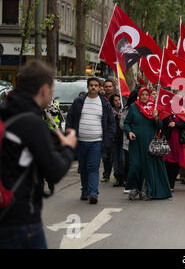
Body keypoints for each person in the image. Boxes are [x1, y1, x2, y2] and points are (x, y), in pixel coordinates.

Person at [0, 60, 77, 249]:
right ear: (44, 89)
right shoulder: (32, 123)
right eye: (52, 89)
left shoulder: (7, 113)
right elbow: (54, 171)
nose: (52, 95)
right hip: (21, 219)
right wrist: (68, 148)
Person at [66, 77, 115, 205]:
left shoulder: (104, 103)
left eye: (96, 85)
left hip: (97, 141)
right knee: (83, 167)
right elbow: (70, 118)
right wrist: (69, 133)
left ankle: (93, 193)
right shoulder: (79, 101)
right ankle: (85, 190)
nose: (93, 87)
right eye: (91, 85)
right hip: (80, 141)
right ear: (87, 87)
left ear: (100, 88)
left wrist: (109, 139)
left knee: (93, 167)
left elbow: (111, 123)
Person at [124, 87, 172, 200]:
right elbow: (126, 123)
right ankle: (134, 188)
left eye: (146, 94)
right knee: (135, 166)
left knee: (148, 167)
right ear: (139, 96)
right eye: (142, 95)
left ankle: (146, 189)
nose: (144, 97)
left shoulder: (154, 108)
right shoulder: (133, 107)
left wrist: (156, 117)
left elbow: (159, 126)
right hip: (136, 142)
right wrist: (129, 131)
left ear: (149, 96)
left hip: (149, 142)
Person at [161, 91, 185, 191]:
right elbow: (162, 122)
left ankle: (171, 184)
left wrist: (176, 125)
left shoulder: (182, 111)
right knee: (166, 162)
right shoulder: (166, 111)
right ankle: (165, 183)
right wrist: (168, 122)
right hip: (167, 140)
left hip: (177, 141)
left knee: (175, 163)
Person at [120, 89, 140, 194]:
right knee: (129, 163)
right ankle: (128, 182)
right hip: (128, 142)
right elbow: (122, 124)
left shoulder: (144, 109)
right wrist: (131, 129)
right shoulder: (127, 109)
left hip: (141, 142)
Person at [100, 78, 116, 182]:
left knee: (116, 155)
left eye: (110, 86)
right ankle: (106, 174)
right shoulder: (100, 99)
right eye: (106, 86)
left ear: (113, 88)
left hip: (116, 130)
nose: (108, 88)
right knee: (105, 155)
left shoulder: (117, 99)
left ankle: (117, 174)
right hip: (104, 131)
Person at [109, 94, 125, 187]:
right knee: (115, 159)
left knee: (122, 159)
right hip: (114, 139)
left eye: (119, 100)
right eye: (115, 100)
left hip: (123, 138)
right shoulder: (110, 112)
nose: (118, 102)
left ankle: (123, 178)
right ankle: (117, 178)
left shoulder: (124, 111)